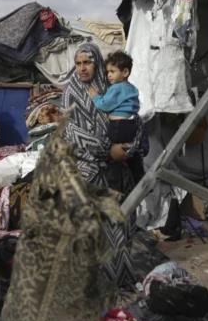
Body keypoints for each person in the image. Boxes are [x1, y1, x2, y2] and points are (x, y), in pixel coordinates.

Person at [61, 42, 148, 287]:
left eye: (87, 62)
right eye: (78, 64)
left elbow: (135, 121)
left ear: (97, 62)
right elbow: (70, 132)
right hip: (88, 172)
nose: (82, 68)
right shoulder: (71, 93)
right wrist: (106, 150)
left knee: (119, 227)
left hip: (118, 173)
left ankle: (119, 280)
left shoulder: (112, 86)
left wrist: (128, 149)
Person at [88, 50, 144, 184]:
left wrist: (95, 97)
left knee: (113, 156)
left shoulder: (117, 88)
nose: (109, 76)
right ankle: (140, 178)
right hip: (130, 126)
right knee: (131, 155)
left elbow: (105, 105)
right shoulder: (132, 88)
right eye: (107, 72)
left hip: (118, 127)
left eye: (112, 72)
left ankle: (114, 182)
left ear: (125, 72)